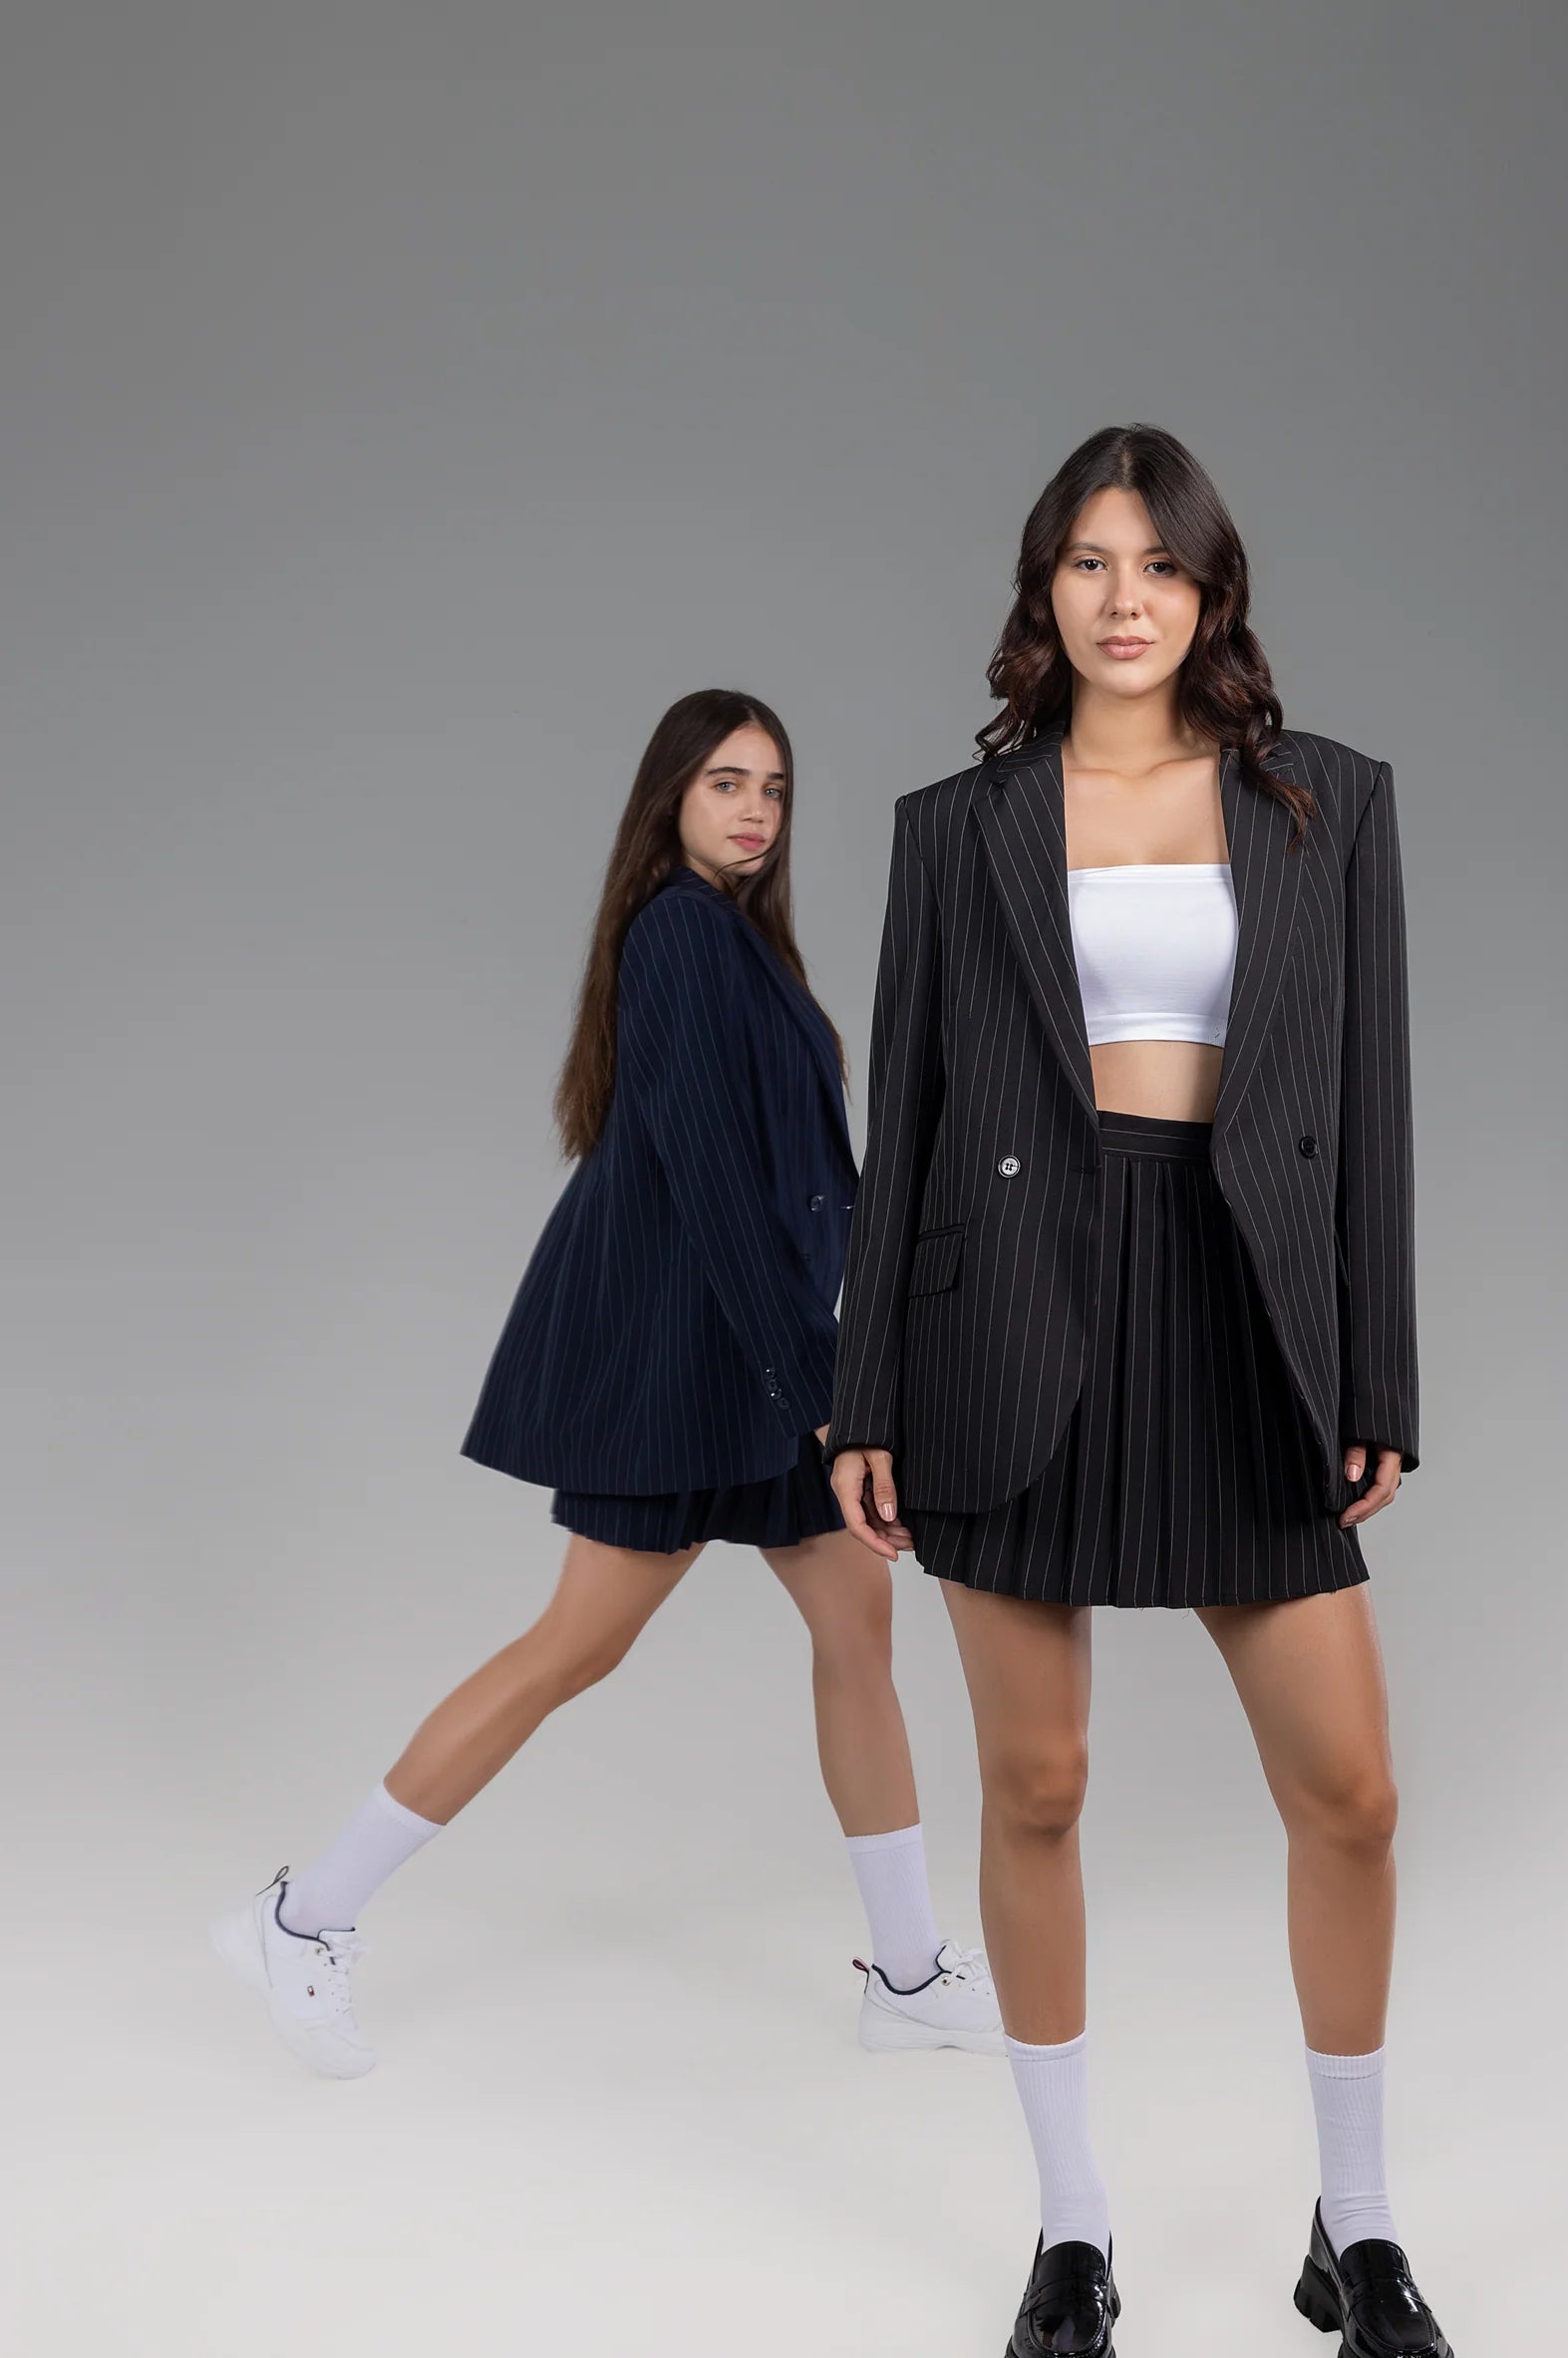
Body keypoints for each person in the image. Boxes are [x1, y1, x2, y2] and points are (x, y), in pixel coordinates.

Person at [826, 431, 1460, 2358]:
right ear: (1047, 590)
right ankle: (1071, 2227)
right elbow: (907, 1111)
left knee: (1351, 1792)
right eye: (1090, 563)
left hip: (1247, 1306)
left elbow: (1369, 1101)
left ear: (1210, 593)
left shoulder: (1325, 800)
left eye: (1159, 565)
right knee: (1036, 1785)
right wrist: (862, 1390)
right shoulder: (957, 828)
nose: (1125, 599)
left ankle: (1358, 2219)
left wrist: (1377, 1371)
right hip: (1011, 1315)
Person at [212, 689, 1000, 2076]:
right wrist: (823, 1389)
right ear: (670, 797)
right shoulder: (680, 933)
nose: (755, 810)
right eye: (725, 782)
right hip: (684, 1358)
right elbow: (711, 1182)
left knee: (857, 1628)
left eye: (773, 788)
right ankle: (302, 1916)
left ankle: (906, 1971)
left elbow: (812, 1180)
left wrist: (866, 1340)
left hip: (763, 1349)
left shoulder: (742, 943)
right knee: (576, 1646)